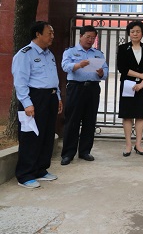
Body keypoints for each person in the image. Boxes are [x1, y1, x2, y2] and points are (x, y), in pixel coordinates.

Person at [12, 21, 63, 188]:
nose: (52, 36)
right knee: (30, 136)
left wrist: (58, 97)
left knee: (47, 134)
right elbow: (20, 82)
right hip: (34, 98)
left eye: (53, 33)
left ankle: (40, 169)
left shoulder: (49, 54)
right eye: (49, 33)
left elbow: (54, 78)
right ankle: (25, 175)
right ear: (38, 34)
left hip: (50, 97)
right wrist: (27, 103)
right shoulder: (24, 54)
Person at [61, 25, 108, 165]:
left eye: (93, 38)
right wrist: (78, 65)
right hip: (76, 88)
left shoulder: (98, 54)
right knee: (72, 121)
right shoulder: (70, 51)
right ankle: (68, 153)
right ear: (80, 36)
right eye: (88, 37)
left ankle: (85, 151)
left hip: (92, 89)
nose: (90, 40)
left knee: (90, 120)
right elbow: (65, 66)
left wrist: (101, 73)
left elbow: (105, 71)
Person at [117, 21, 143, 157]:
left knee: (140, 115)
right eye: (132, 31)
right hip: (127, 85)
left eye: (138, 31)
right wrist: (140, 75)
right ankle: (128, 145)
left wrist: (142, 83)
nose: (135, 34)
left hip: (142, 86)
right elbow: (122, 68)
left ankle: (138, 144)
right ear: (129, 33)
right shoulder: (123, 48)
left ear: (142, 33)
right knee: (127, 115)